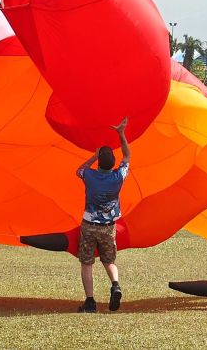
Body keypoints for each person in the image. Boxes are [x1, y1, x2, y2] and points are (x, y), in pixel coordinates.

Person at [74, 118, 130, 313]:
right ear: (113, 164)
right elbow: (127, 156)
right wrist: (121, 134)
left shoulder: (90, 175)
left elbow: (79, 170)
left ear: (99, 162)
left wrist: (93, 157)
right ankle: (115, 285)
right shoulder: (118, 177)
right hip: (108, 227)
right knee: (109, 261)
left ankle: (90, 302)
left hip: (89, 225)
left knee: (86, 263)